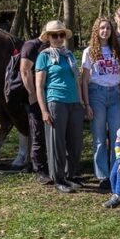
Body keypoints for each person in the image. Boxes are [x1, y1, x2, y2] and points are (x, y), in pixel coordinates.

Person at [34, 21, 84, 193]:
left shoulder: (69, 55)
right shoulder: (44, 57)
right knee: (57, 143)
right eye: (54, 35)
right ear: (48, 37)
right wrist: (44, 110)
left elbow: (77, 81)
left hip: (74, 102)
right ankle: (58, 178)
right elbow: (39, 86)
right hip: (56, 101)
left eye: (61, 35)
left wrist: (81, 102)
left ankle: (70, 175)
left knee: (75, 142)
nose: (58, 38)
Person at [81, 16, 120, 189]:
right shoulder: (89, 51)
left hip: (115, 95)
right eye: (102, 28)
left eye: (108, 28)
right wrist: (87, 104)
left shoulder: (117, 50)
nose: (105, 31)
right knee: (99, 137)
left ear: (111, 31)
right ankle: (102, 175)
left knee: (117, 136)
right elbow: (84, 80)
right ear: (96, 30)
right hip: (97, 94)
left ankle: (116, 172)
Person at [17, 30, 49, 184]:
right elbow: (25, 71)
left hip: (50, 95)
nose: (57, 37)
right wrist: (32, 95)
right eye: (53, 34)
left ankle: (50, 164)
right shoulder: (31, 46)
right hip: (35, 96)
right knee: (37, 132)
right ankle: (39, 168)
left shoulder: (53, 47)